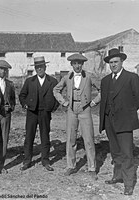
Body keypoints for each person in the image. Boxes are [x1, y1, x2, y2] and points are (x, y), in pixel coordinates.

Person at [53, 53, 100, 180]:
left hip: (85, 110)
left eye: (79, 63)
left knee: (89, 139)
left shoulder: (89, 76)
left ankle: (91, 168)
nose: (77, 65)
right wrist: (64, 102)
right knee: (70, 139)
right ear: (71, 64)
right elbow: (56, 90)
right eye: (75, 63)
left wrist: (94, 102)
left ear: (82, 64)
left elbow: (102, 89)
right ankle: (70, 165)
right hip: (71, 110)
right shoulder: (67, 77)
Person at [99, 48, 139, 195]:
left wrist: (128, 111)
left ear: (122, 62)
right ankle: (118, 176)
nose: (113, 65)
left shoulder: (131, 78)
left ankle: (129, 184)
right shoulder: (105, 81)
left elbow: (138, 98)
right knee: (115, 152)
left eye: (116, 62)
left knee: (127, 153)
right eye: (111, 63)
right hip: (109, 121)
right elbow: (104, 101)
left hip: (125, 122)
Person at [19, 56, 59, 171]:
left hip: (45, 113)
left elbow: (58, 95)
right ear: (35, 69)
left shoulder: (52, 81)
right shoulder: (29, 81)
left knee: (45, 137)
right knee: (29, 137)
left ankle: (45, 161)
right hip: (32, 112)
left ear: (45, 67)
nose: (39, 69)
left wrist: (53, 108)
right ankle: (27, 161)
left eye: (41, 67)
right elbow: (22, 95)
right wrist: (25, 104)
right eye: (37, 67)